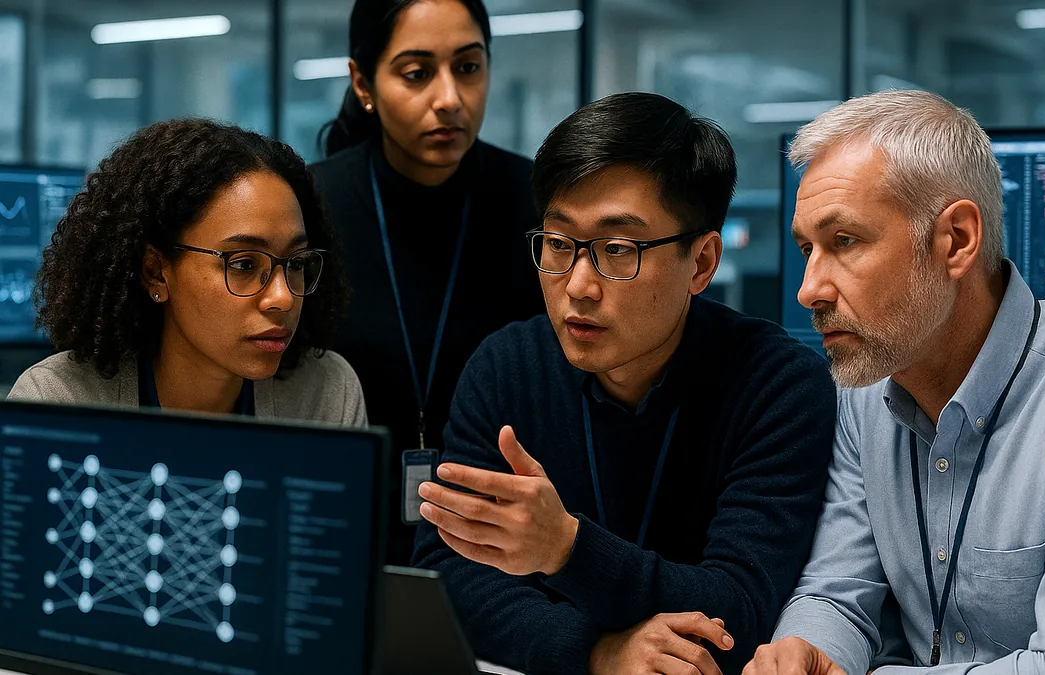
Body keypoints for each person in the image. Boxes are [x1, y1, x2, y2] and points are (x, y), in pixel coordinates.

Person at [746, 90, 1045, 675]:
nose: (809, 289)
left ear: (957, 240)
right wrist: (805, 652)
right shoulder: (865, 390)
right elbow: (837, 592)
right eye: (807, 248)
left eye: (845, 242)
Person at [411, 92, 837, 675]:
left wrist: (566, 549)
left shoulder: (778, 384)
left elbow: (739, 609)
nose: (579, 285)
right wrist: (595, 652)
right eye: (559, 244)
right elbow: (448, 572)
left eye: (617, 250)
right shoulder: (507, 367)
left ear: (702, 262)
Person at [310, 0, 544, 565]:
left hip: (503, 549)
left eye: (468, 67)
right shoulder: (311, 208)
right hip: (339, 533)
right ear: (363, 83)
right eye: (417, 74)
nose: (449, 98)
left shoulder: (539, 204)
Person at [8, 119, 364, 426]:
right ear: (156, 273)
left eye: (296, 264)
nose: (283, 298)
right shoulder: (56, 403)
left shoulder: (324, 393)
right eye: (243, 264)